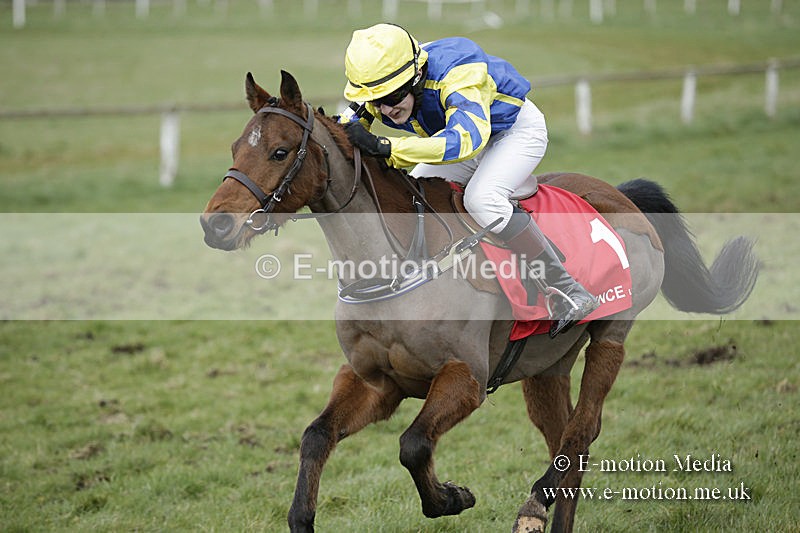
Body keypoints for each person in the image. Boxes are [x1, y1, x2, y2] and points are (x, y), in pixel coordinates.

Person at [340, 23, 597, 337]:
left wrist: (387, 147)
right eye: (375, 100)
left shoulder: (457, 73)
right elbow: (345, 124)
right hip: (463, 136)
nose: (384, 108)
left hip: (511, 133)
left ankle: (568, 290)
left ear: (417, 77)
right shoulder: (387, 81)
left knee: (481, 198)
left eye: (392, 97)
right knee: (413, 195)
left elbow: (466, 141)